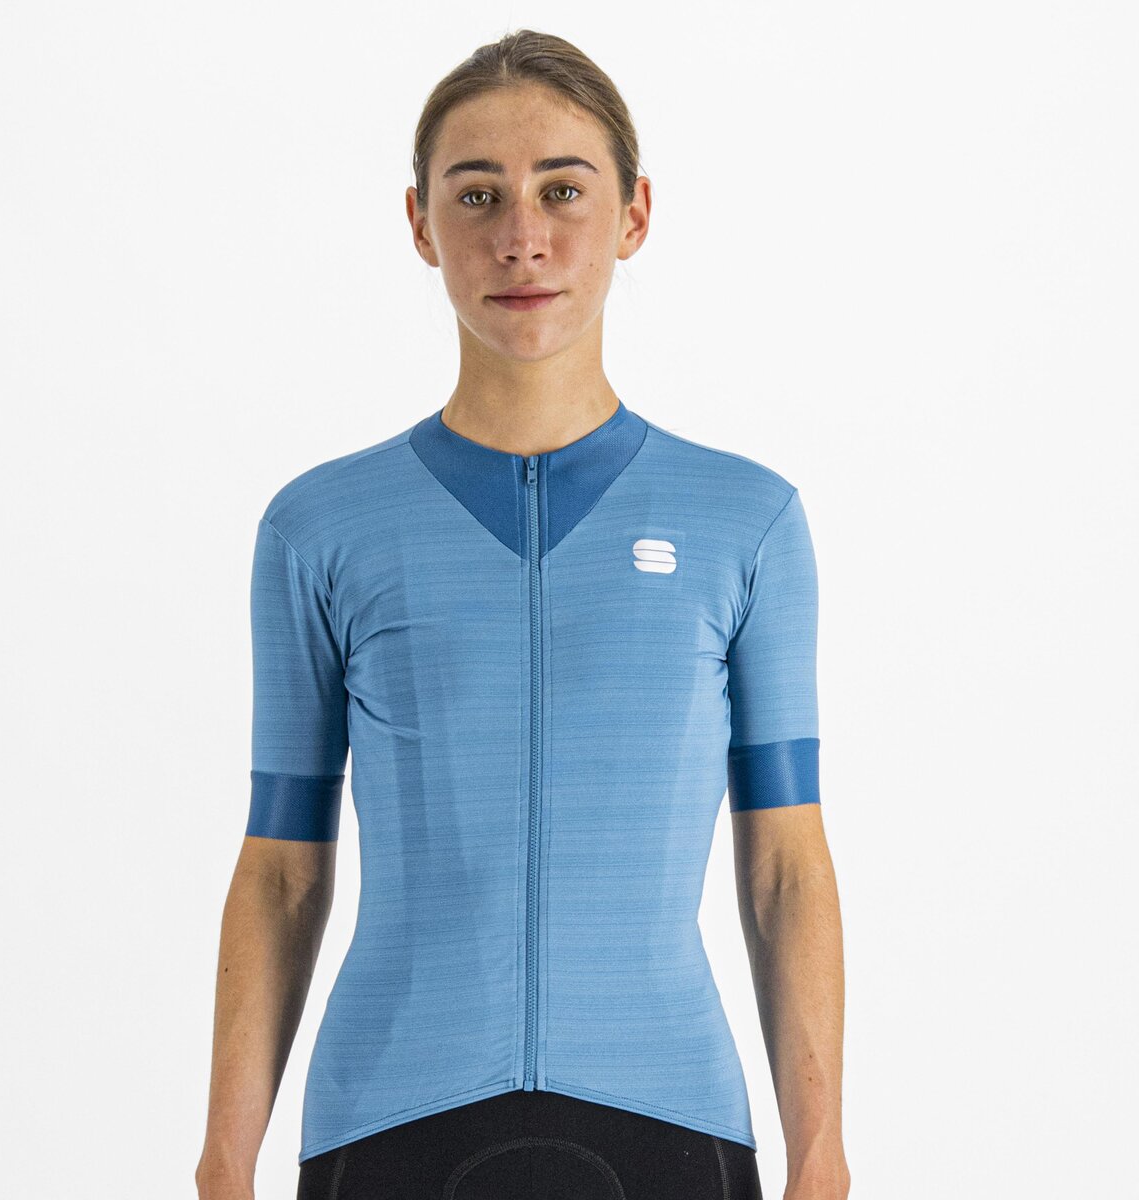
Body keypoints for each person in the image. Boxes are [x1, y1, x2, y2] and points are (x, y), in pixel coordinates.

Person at [196, 28, 850, 1200]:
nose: (521, 237)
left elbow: (785, 866)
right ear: (420, 224)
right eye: (477, 195)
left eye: (562, 190)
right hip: (390, 1123)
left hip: (667, 1122)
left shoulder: (744, 521)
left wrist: (821, 1157)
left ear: (635, 214)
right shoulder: (322, 528)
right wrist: (223, 1161)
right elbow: (283, 867)